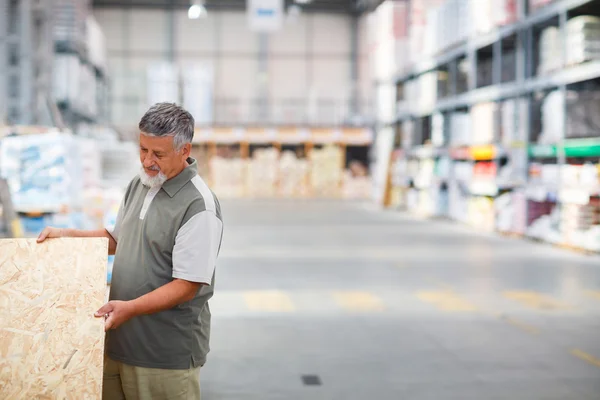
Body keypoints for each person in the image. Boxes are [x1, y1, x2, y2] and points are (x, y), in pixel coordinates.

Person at [37, 102, 224, 400]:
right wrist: (67, 235)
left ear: (184, 151)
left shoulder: (198, 205)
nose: (148, 161)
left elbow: (187, 285)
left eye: (158, 154)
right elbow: (118, 240)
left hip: (163, 355)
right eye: (143, 150)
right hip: (120, 342)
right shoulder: (141, 183)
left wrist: (129, 308)